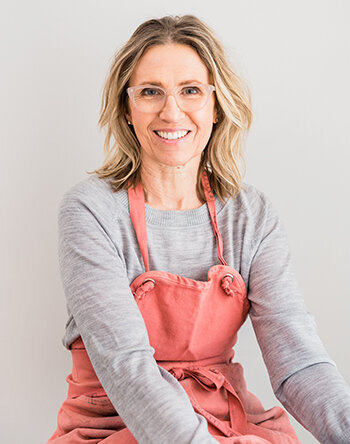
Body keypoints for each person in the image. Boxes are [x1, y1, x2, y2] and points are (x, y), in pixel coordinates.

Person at [46, 14, 350, 444]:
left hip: (228, 418)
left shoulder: (251, 215)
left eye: (190, 90)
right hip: (117, 422)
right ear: (126, 109)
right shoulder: (90, 209)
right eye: (151, 92)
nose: (172, 111)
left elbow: (298, 361)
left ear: (216, 103)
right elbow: (126, 366)